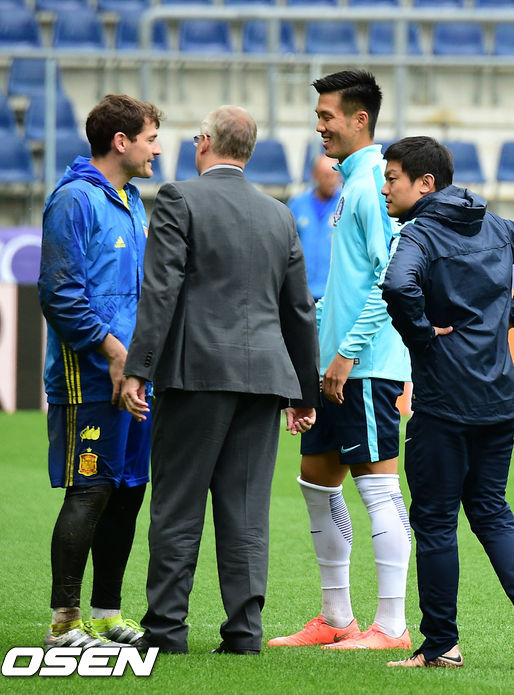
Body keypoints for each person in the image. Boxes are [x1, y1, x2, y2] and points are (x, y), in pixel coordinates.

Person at [119, 104, 321, 655]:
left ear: (204, 143)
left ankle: (167, 630)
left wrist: (138, 367)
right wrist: (303, 393)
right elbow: (299, 309)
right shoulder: (279, 214)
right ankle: (244, 632)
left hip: (196, 375)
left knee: (178, 506)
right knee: (247, 511)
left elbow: (160, 290)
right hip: (264, 380)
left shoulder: (179, 198)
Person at [268, 70, 412, 651]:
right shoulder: (352, 181)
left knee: (379, 489)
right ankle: (336, 617)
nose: (319, 126)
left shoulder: (375, 181)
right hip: (335, 366)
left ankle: (392, 626)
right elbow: (348, 285)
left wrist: (348, 352)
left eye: (327, 116)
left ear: (360, 119)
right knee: (316, 482)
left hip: (366, 365)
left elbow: (391, 277)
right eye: (318, 116)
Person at [380, 136, 514, 668]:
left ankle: (440, 646)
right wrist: (500, 321)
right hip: (500, 397)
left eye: (392, 178)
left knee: (436, 521)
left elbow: (397, 286)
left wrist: (422, 335)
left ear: (425, 183)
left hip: (443, 402)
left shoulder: (420, 233)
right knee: (491, 511)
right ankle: (440, 644)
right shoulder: (498, 226)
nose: (385, 188)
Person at [38, 94, 163, 650]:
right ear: (121, 142)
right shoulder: (74, 200)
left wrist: (137, 362)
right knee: (89, 491)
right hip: (88, 378)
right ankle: (64, 623)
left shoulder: (131, 200)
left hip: (133, 377)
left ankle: (107, 614)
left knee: (128, 492)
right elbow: (59, 295)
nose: (156, 149)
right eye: (151, 139)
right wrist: (113, 352)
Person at [288, 154, 342, 301]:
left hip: (333, 290)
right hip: (303, 289)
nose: (332, 181)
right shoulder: (297, 204)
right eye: (326, 176)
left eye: (335, 176)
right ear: (315, 175)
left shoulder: (345, 203)